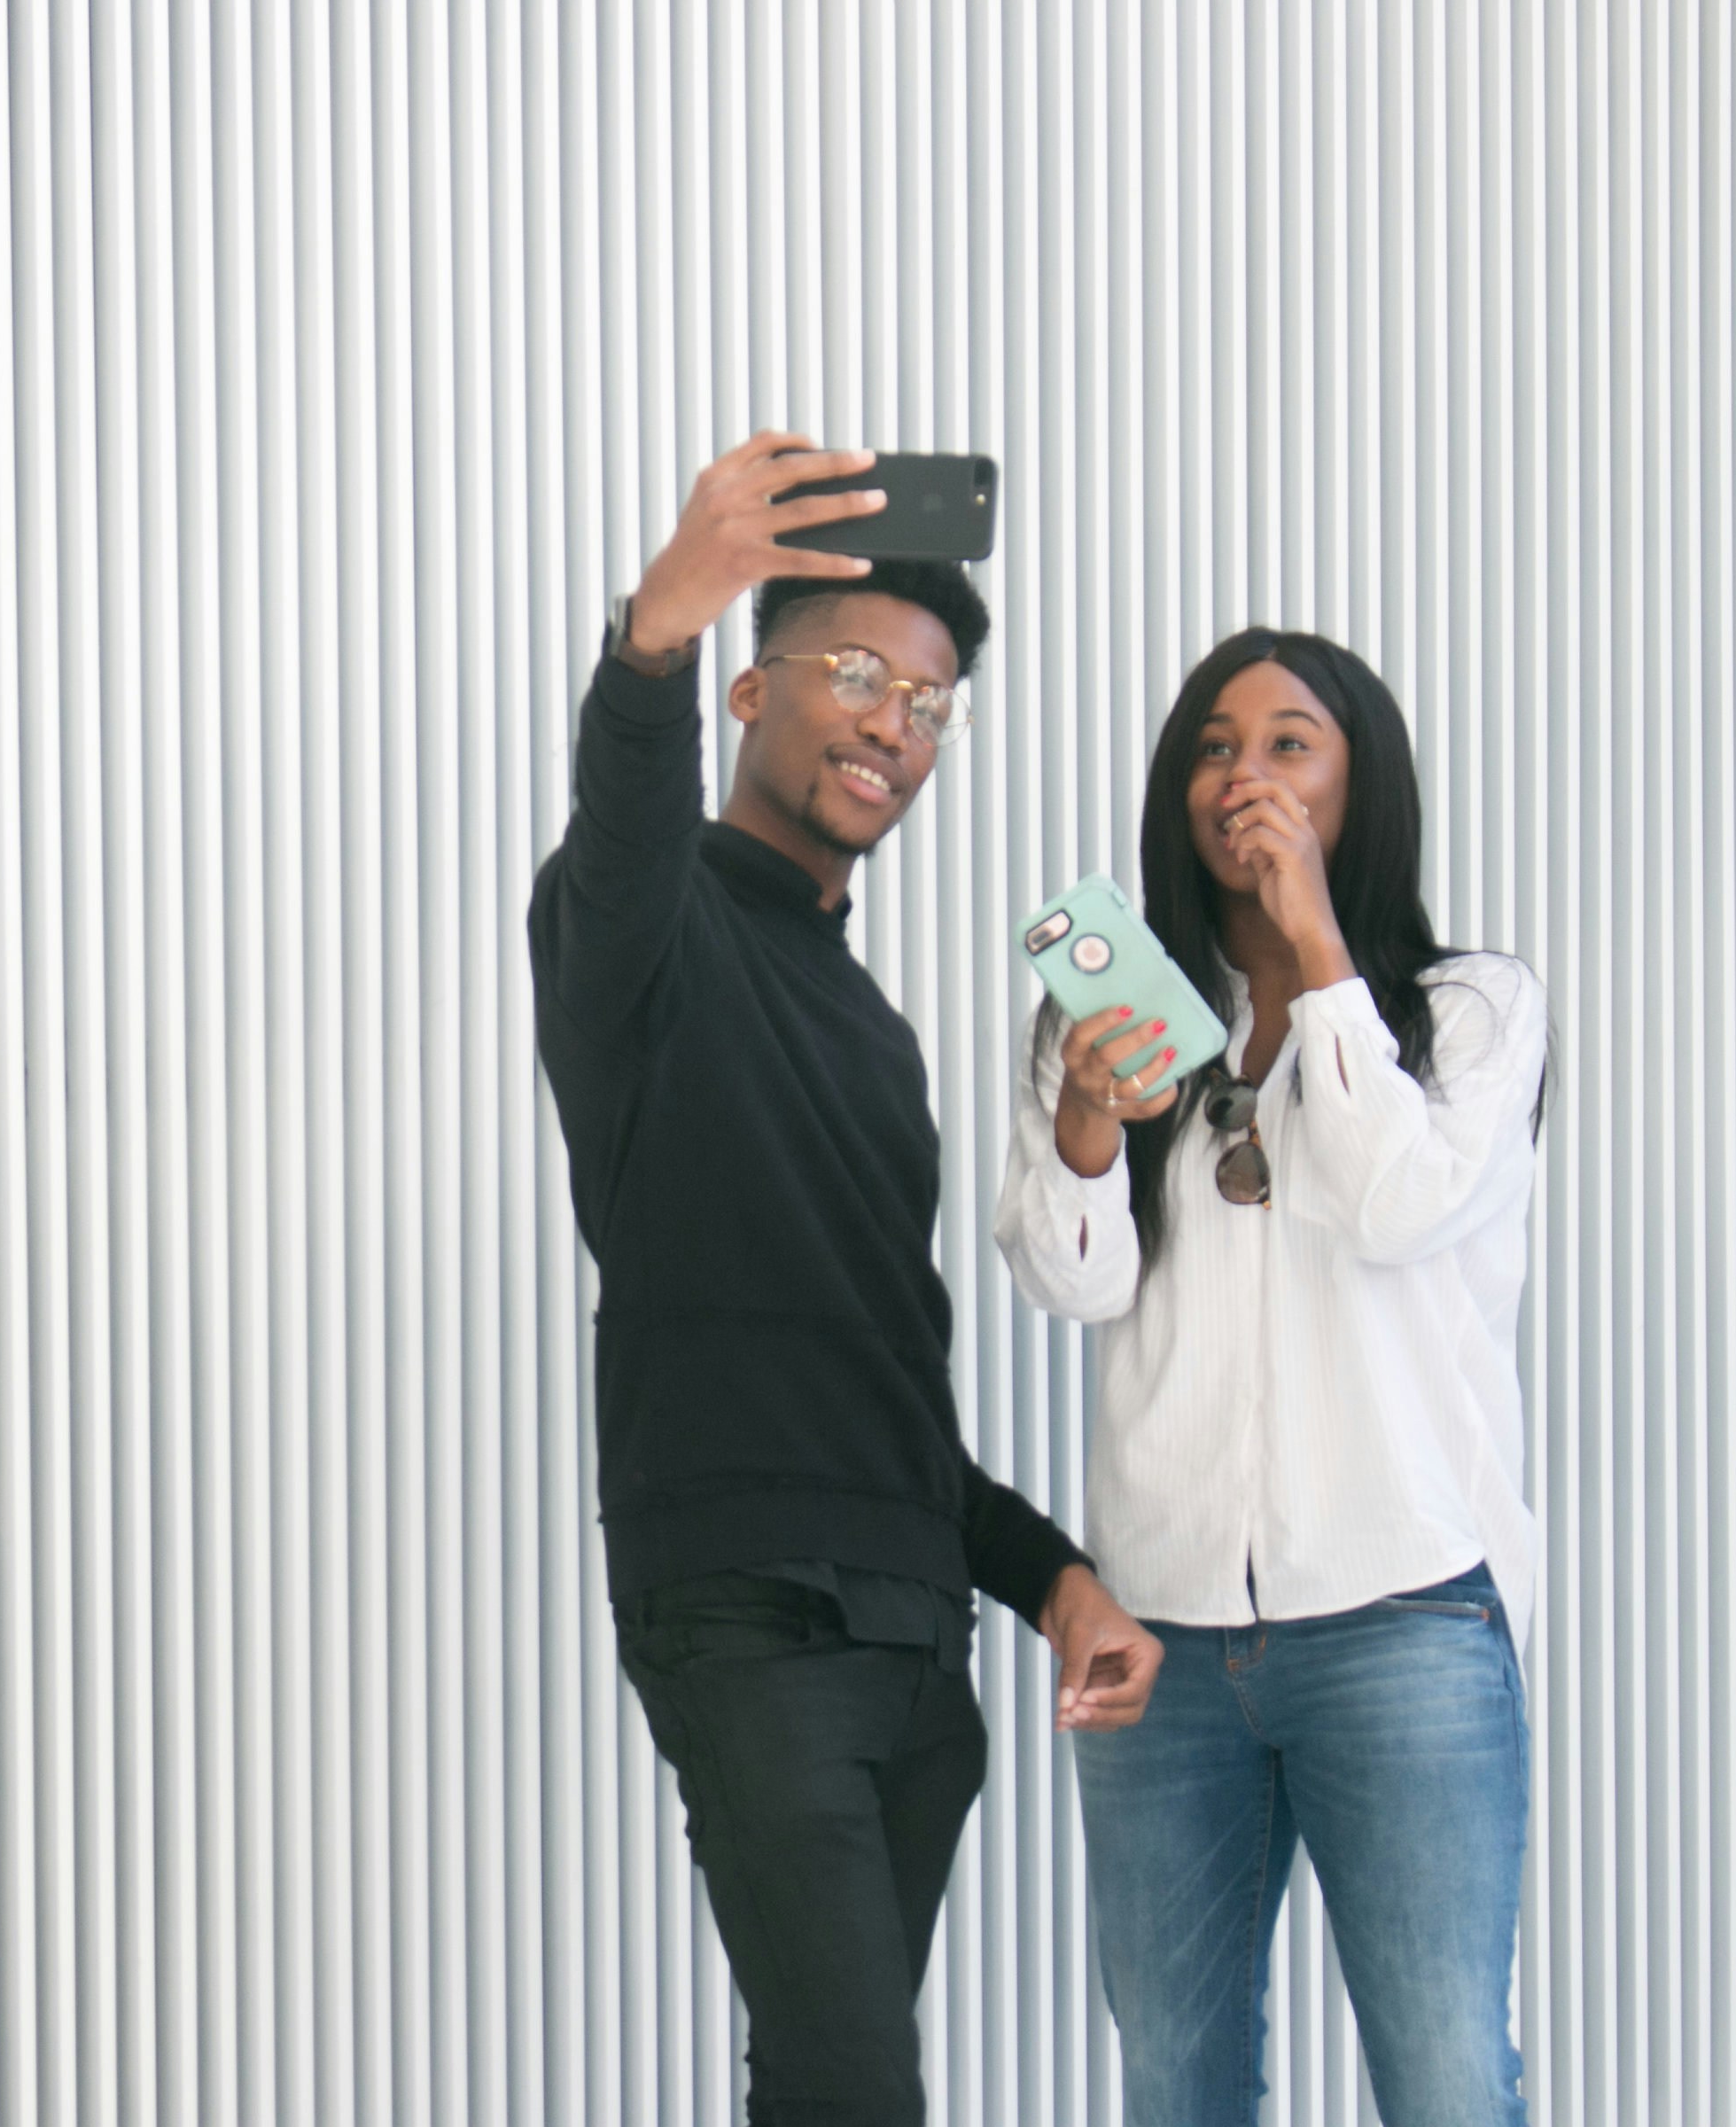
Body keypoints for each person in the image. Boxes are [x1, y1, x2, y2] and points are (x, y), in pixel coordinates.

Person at [529, 430, 1163, 2125]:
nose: (899, 720)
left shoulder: (879, 1044)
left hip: (913, 1648)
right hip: (749, 1613)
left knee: (823, 2093)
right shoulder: (639, 941)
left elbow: (889, 1407)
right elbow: (622, 816)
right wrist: (660, 619)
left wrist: (1057, 1585)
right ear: (751, 694)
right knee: (858, 2093)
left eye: (934, 702)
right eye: (862, 672)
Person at [993, 627, 1547, 2126]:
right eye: (1215, 749)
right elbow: (1071, 1279)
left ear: (1360, 782)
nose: (1246, 776)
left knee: (1445, 2082)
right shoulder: (1103, 1021)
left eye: (1290, 743)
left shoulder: (1468, 1012)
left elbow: (1398, 1206)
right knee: (1178, 2086)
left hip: (1407, 1618)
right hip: (1162, 1635)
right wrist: (1095, 1124)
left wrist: (1320, 959)